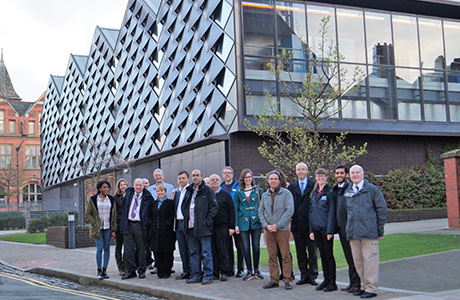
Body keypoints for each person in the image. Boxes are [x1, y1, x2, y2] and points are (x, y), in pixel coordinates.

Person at [344, 165, 387, 299]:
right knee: (358, 262)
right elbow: (347, 211)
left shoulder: (372, 190)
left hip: (369, 232)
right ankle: (363, 286)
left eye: (357, 172)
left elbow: (381, 209)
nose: (355, 175)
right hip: (354, 233)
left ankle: (371, 288)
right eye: (352, 173)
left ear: (363, 174)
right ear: (349, 176)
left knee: (370, 261)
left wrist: (380, 229)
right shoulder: (348, 191)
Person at [258, 170, 294, 290]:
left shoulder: (286, 193)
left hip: (282, 229)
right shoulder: (264, 195)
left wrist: (277, 225)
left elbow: (289, 211)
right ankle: (274, 280)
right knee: (271, 256)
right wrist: (266, 225)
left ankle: (287, 279)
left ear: (279, 181)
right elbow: (260, 212)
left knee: (285, 255)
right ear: (268, 181)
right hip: (268, 230)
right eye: (271, 179)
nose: (273, 181)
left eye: (275, 179)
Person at [183, 169, 218, 285]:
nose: (195, 177)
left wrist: (207, 221)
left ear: (201, 177)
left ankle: (208, 275)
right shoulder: (189, 191)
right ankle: (196, 274)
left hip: (203, 228)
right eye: (193, 175)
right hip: (191, 227)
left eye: (197, 175)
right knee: (193, 252)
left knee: (206, 252)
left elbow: (214, 207)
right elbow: (184, 206)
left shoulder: (207, 190)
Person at [330, 165, 360, 293]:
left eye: (342, 173)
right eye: (337, 173)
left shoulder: (351, 188)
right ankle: (352, 282)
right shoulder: (336, 189)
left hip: (351, 229)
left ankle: (358, 284)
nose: (339, 175)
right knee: (348, 257)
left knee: (355, 258)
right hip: (341, 228)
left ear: (346, 175)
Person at [288, 162, 318, 286]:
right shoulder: (292, 187)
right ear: (296, 172)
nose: (300, 171)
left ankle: (312, 276)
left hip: (310, 225)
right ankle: (303, 275)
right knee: (300, 252)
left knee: (312, 252)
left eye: (303, 169)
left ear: (307, 171)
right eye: (298, 169)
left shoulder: (314, 185)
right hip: (297, 225)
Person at [309, 168, 337, 292]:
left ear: (326, 177)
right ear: (315, 177)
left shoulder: (330, 192)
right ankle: (326, 280)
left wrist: (330, 231)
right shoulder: (314, 193)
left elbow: (332, 213)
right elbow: (311, 212)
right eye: (318, 176)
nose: (320, 178)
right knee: (323, 256)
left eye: (322, 175)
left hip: (326, 230)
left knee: (328, 255)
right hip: (316, 229)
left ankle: (332, 282)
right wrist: (311, 230)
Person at [120, 178, 154, 280]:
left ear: (143, 186)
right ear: (133, 186)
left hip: (141, 225)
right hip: (128, 224)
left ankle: (141, 270)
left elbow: (150, 214)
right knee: (128, 249)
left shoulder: (148, 197)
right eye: (137, 185)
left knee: (141, 249)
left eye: (140, 185)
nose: (138, 187)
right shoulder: (129, 193)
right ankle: (130, 271)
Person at [234, 168, 264, 281]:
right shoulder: (238, 193)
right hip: (243, 223)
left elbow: (263, 205)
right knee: (245, 247)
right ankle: (249, 271)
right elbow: (236, 209)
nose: (248, 179)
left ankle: (256, 270)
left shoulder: (258, 190)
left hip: (256, 222)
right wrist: (236, 224)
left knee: (256, 246)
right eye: (246, 177)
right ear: (243, 179)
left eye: (250, 177)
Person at [85, 180, 117, 280]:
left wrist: (113, 229)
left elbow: (114, 215)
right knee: (100, 248)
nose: (106, 189)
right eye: (104, 187)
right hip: (97, 229)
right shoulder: (93, 199)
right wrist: (94, 223)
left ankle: (104, 270)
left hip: (107, 228)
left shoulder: (111, 199)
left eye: (108, 187)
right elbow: (87, 214)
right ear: (99, 189)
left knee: (107, 249)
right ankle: (99, 271)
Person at [209, 174, 235, 281]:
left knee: (223, 250)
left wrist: (231, 227)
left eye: (216, 180)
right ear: (209, 182)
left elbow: (231, 211)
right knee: (213, 251)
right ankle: (215, 272)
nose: (214, 182)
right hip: (210, 227)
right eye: (212, 180)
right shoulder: (207, 195)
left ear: (220, 182)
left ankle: (225, 271)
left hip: (223, 227)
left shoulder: (226, 195)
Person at [147, 168, 174, 271]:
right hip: (156, 219)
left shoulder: (170, 187)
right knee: (156, 245)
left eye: (160, 175)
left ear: (163, 176)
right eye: (156, 175)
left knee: (167, 246)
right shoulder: (150, 189)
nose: (158, 177)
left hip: (166, 221)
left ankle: (168, 266)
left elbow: (172, 204)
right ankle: (157, 266)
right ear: (154, 177)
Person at [221, 166, 244, 278]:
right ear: (223, 175)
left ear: (232, 174)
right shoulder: (220, 187)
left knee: (240, 247)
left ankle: (240, 269)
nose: (227, 175)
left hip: (237, 221)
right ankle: (229, 269)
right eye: (225, 173)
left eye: (229, 173)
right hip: (226, 222)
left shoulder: (238, 186)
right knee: (227, 247)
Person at [150, 185, 176, 279]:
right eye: (158, 191)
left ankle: (167, 271)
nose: (160, 193)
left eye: (162, 191)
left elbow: (172, 215)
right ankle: (160, 271)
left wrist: (167, 224)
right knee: (157, 252)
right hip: (156, 231)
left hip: (167, 231)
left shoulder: (170, 202)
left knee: (167, 252)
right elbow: (151, 216)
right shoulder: (154, 203)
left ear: (165, 192)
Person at [172, 170, 192, 280]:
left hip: (187, 223)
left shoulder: (190, 191)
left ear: (188, 179)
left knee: (191, 248)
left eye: (183, 178)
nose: (181, 180)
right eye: (179, 178)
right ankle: (185, 271)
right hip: (178, 224)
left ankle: (193, 271)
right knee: (182, 249)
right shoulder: (177, 192)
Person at [114, 178, 128, 275]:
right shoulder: (115, 198)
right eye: (121, 185)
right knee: (119, 246)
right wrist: (113, 229)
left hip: (128, 225)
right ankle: (120, 267)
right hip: (119, 225)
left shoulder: (130, 196)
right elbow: (113, 214)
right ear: (118, 187)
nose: (123, 186)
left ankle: (126, 266)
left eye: (124, 184)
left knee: (128, 247)